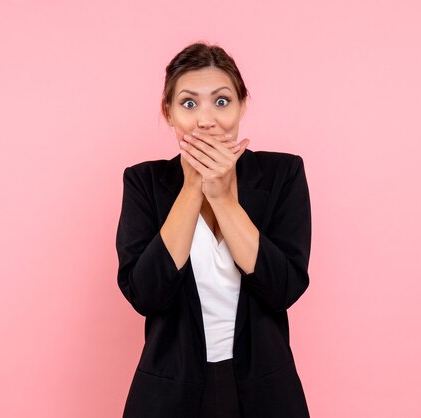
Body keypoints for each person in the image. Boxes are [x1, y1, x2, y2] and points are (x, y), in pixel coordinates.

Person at [115, 42, 312, 418]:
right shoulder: (144, 182)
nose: (206, 119)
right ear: (168, 113)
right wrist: (192, 188)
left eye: (221, 101)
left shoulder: (283, 175)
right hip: (169, 392)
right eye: (189, 103)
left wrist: (222, 197)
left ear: (242, 106)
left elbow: (284, 288)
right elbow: (146, 295)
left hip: (266, 391)